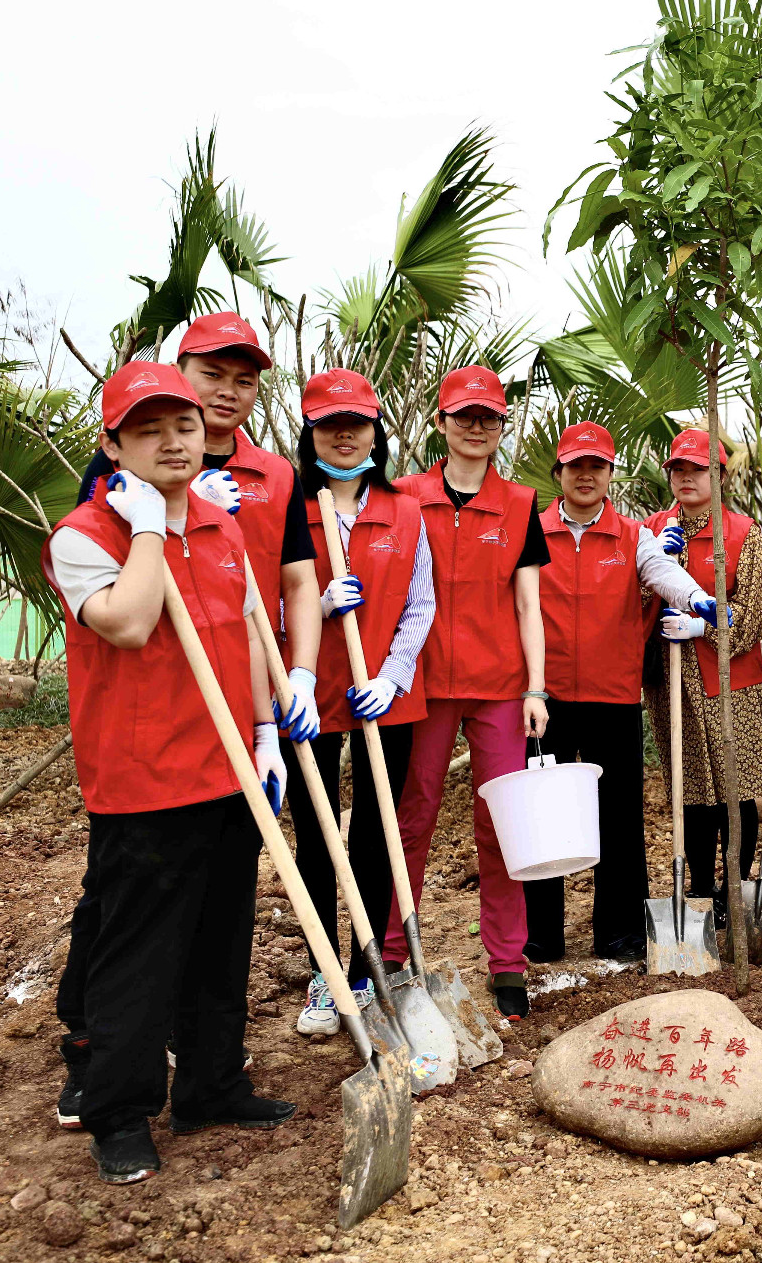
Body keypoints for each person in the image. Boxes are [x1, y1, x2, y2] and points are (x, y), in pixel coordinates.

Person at [57, 314, 322, 1110]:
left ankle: (213, 1081)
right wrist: (149, 525)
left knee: (220, 939)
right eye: (151, 429)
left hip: (227, 761)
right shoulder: (87, 529)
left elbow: (243, 632)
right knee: (137, 952)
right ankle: (117, 1107)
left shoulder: (223, 523)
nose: (176, 440)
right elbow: (131, 622)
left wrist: (267, 731)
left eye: (185, 425)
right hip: (143, 773)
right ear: (114, 444)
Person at [389, 366, 549, 1023]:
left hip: (499, 686)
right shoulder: (402, 497)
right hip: (421, 684)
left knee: (501, 822)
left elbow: (530, 604)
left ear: (501, 426)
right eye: (465, 416)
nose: (477, 427)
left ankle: (508, 962)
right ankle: (394, 953)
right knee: (412, 813)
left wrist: (536, 687)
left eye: (488, 418)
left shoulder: (519, 505)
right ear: (440, 422)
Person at [523, 421, 714, 962]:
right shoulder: (533, 532)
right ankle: (542, 934)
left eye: (597, 467)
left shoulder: (634, 536)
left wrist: (697, 598)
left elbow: (661, 573)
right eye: (575, 466)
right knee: (546, 815)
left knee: (619, 816)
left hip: (612, 696)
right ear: (559, 472)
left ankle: (621, 931)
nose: (586, 476)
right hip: (546, 698)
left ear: (610, 473)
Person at [282, 369, 436, 1038]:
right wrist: (312, 611)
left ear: (377, 431)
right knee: (317, 834)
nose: (345, 435)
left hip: (387, 698)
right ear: (310, 432)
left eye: (358, 423)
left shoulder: (404, 510)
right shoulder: (293, 510)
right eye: (329, 424)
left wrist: (394, 675)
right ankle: (323, 974)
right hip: (308, 693)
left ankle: (364, 971)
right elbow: (265, 604)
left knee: (377, 836)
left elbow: (421, 602)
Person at [644, 429, 762, 926]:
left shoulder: (744, 534)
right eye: (678, 469)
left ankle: (734, 889)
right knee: (691, 787)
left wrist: (707, 624)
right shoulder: (652, 529)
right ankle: (698, 890)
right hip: (672, 681)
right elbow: (624, 606)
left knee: (734, 787)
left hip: (729, 680)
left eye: (698, 469)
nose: (687, 478)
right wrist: (653, 566)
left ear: (719, 476)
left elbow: (756, 609)